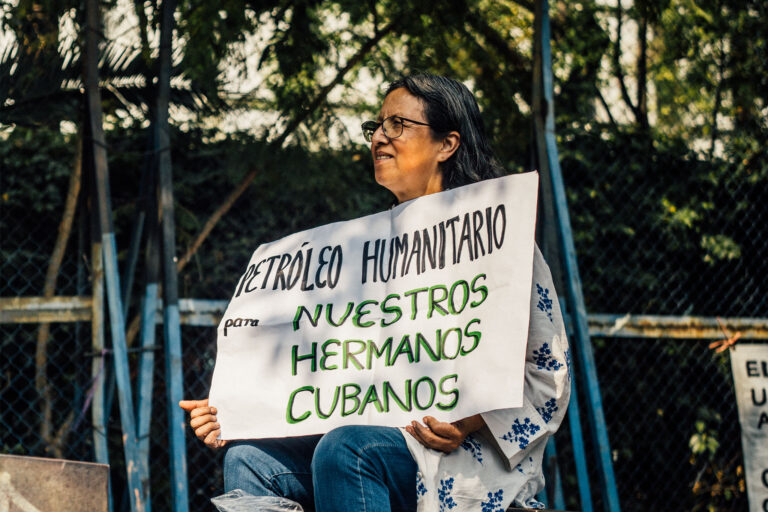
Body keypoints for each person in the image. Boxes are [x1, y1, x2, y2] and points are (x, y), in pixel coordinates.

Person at [180, 74, 570, 512]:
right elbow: (325, 372)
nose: (380, 136)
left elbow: (546, 372)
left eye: (398, 124)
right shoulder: (358, 255)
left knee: (348, 449)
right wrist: (239, 406)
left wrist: (468, 421)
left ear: (448, 144)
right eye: (377, 125)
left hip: (462, 461)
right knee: (249, 459)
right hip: (368, 444)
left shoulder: (498, 242)